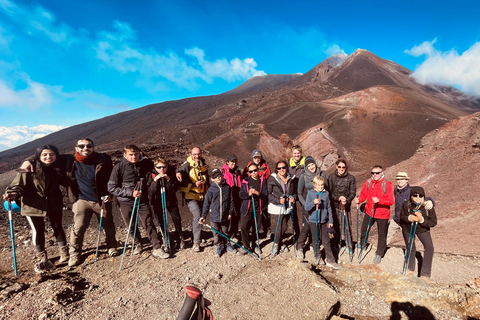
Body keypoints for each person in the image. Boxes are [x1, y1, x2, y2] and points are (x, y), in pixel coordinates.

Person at [4, 145, 69, 273]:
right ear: (38, 156)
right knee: (38, 229)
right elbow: (17, 184)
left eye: (51, 154)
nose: (48, 157)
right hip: (32, 204)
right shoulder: (29, 168)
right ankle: (42, 257)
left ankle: (64, 251)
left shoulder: (58, 167)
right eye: (44, 154)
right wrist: (12, 192)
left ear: (56, 156)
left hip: (53, 202)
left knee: (57, 226)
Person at [108, 145, 169, 259]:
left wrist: (177, 172)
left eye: (136, 154)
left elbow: (160, 167)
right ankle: (138, 244)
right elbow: (111, 187)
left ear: (139, 153)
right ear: (125, 155)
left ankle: (157, 247)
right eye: (131, 154)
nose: (134, 157)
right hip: (125, 201)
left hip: (142, 200)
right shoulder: (119, 167)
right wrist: (130, 192)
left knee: (148, 223)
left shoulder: (145, 164)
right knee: (131, 225)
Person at [299, 176, 340, 269]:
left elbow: (329, 208)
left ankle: (331, 260)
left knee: (326, 240)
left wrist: (330, 221)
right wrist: (313, 203)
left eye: (322, 185)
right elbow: (306, 207)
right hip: (314, 220)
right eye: (318, 185)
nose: (321, 187)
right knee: (316, 239)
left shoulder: (326, 194)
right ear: (314, 185)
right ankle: (318, 256)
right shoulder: (310, 193)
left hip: (323, 220)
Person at [357, 165, 394, 264]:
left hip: (382, 214)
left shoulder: (387, 184)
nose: (374, 175)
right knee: (364, 229)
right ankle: (363, 244)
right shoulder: (368, 182)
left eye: (377, 173)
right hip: (370, 211)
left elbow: (391, 200)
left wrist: (379, 200)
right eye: (373, 173)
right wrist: (359, 200)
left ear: (382, 173)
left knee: (382, 234)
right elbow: (363, 194)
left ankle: (379, 253)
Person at [147, 158, 185, 251]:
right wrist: (155, 181)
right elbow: (150, 192)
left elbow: (173, 189)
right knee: (161, 220)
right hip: (157, 202)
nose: (162, 169)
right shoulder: (151, 175)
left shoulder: (171, 174)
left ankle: (180, 237)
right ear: (155, 167)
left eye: (164, 167)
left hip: (170, 201)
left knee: (177, 218)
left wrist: (168, 180)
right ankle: (166, 239)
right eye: (159, 167)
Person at [176, 147, 209, 252]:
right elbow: (178, 172)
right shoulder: (187, 165)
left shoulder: (202, 165)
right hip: (191, 196)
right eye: (195, 154)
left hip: (201, 195)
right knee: (197, 216)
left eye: (198, 154)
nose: (197, 156)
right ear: (191, 154)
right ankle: (196, 242)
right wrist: (193, 184)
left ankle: (196, 234)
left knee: (201, 216)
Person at [386, 172, 434, 245]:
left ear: (407, 180)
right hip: (396, 219)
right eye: (398, 179)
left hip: (406, 221)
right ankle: (380, 253)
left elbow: (422, 198)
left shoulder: (411, 191)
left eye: (402, 179)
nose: (400, 181)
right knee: (386, 236)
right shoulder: (396, 190)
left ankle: (410, 255)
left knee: (409, 242)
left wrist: (430, 201)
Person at [400, 186, 437, 279]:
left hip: (422, 229)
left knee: (429, 247)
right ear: (411, 196)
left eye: (420, 196)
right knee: (410, 246)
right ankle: (410, 268)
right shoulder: (406, 204)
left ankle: (425, 274)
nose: (418, 198)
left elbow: (433, 222)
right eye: (415, 195)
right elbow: (401, 216)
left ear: (424, 197)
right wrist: (409, 218)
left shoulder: (428, 207)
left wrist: (422, 220)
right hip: (408, 228)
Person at [199, 169, 236, 257]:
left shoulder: (227, 187)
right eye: (215, 176)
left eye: (219, 175)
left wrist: (230, 213)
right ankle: (219, 246)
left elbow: (231, 201)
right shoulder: (211, 190)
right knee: (215, 233)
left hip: (225, 215)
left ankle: (227, 244)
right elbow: (206, 203)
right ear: (212, 179)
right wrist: (203, 216)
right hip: (214, 216)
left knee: (225, 231)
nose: (218, 178)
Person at [296, 156, 327, 256]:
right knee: (307, 226)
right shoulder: (303, 177)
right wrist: (305, 204)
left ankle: (315, 246)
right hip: (308, 205)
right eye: (308, 165)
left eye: (312, 164)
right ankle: (300, 246)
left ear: (315, 164)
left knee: (317, 226)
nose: (311, 167)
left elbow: (326, 189)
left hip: (320, 205)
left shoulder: (322, 174)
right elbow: (299, 193)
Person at [238, 163, 268, 255]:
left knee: (256, 228)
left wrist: (258, 193)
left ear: (258, 170)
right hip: (246, 209)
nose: (254, 172)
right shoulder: (245, 181)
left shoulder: (262, 181)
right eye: (251, 171)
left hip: (258, 209)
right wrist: (248, 194)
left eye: (255, 170)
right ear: (248, 172)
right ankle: (246, 246)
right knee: (243, 227)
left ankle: (254, 245)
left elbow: (265, 195)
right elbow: (241, 195)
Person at [327, 159, 356, 255]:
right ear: (336, 167)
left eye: (343, 167)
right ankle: (336, 244)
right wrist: (338, 198)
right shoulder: (331, 177)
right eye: (339, 167)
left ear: (346, 167)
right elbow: (329, 192)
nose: (341, 169)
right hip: (334, 206)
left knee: (347, 226)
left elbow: (352, 192)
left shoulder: (351, 178)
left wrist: (346, 200)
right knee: (336, 226)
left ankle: (349, 246)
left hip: (345, 206)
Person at [267, 160, 296, 255]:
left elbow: (294, 192)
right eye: (279, 168)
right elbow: (268, 194)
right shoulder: (272, 179)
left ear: (286, 168)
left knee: (284, 227)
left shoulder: (290, 178)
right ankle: (276, 245)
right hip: (276, 206)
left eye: (283, 167)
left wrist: (293, 197)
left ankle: (280, 242)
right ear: (276, 169)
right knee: (279, 227)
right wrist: (277, 200)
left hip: (287, 205)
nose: (282, 170)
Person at [242, 149, 271, 238]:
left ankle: (266, 230)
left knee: (264, 213)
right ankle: (251, 233)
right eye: (255, 157)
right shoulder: (248, 167)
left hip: (262, 192)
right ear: (252, 158)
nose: (257, 159)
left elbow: (269, 178)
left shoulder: (265, 167)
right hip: (250, 194)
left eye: (258, 157)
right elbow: (244, 180)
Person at [221, 154, 242, 239]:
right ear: (227, 162)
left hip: (237, 195)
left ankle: (234, 232)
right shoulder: (223, 171)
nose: (233, 164)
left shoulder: (237, 171)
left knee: (236, 215)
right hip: (227, 196)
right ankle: (225, 234)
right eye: (232, 162)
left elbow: (240, 182)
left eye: (235, 162)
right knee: (227, 215)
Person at [288, 145, 304, 238]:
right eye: (295, 153)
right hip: (292, 191)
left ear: (301, 153)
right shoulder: (288, 163)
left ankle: (306, 234)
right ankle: (296, 233)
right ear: (292, 154)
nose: (296, 155)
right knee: (293, 214)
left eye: (298, 153)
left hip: (303, 191)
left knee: (304, 213)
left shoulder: (305, 162)